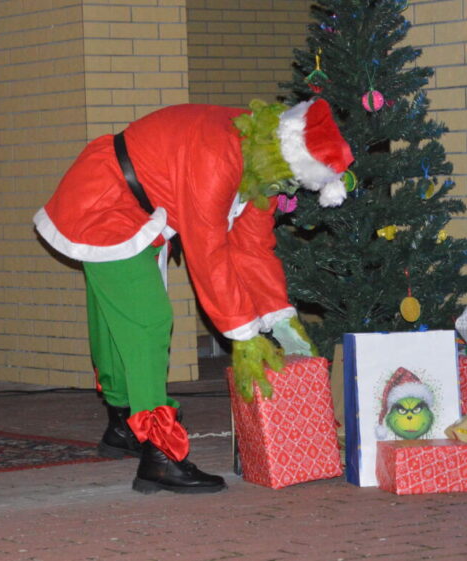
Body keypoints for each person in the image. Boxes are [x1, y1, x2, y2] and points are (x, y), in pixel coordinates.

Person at [34, 98, 353, 494]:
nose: (285, 191)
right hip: (103, 199)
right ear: (283, 154)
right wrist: (244, 335)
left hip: (140, 206)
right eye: (289, 182)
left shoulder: (262, 160)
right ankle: (159, 455)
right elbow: (208, 251)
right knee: (146, 322)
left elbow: (253, 248)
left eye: (293, 185)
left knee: (118, 321)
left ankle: (122, 426)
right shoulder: (219, 155)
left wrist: (282, 320)